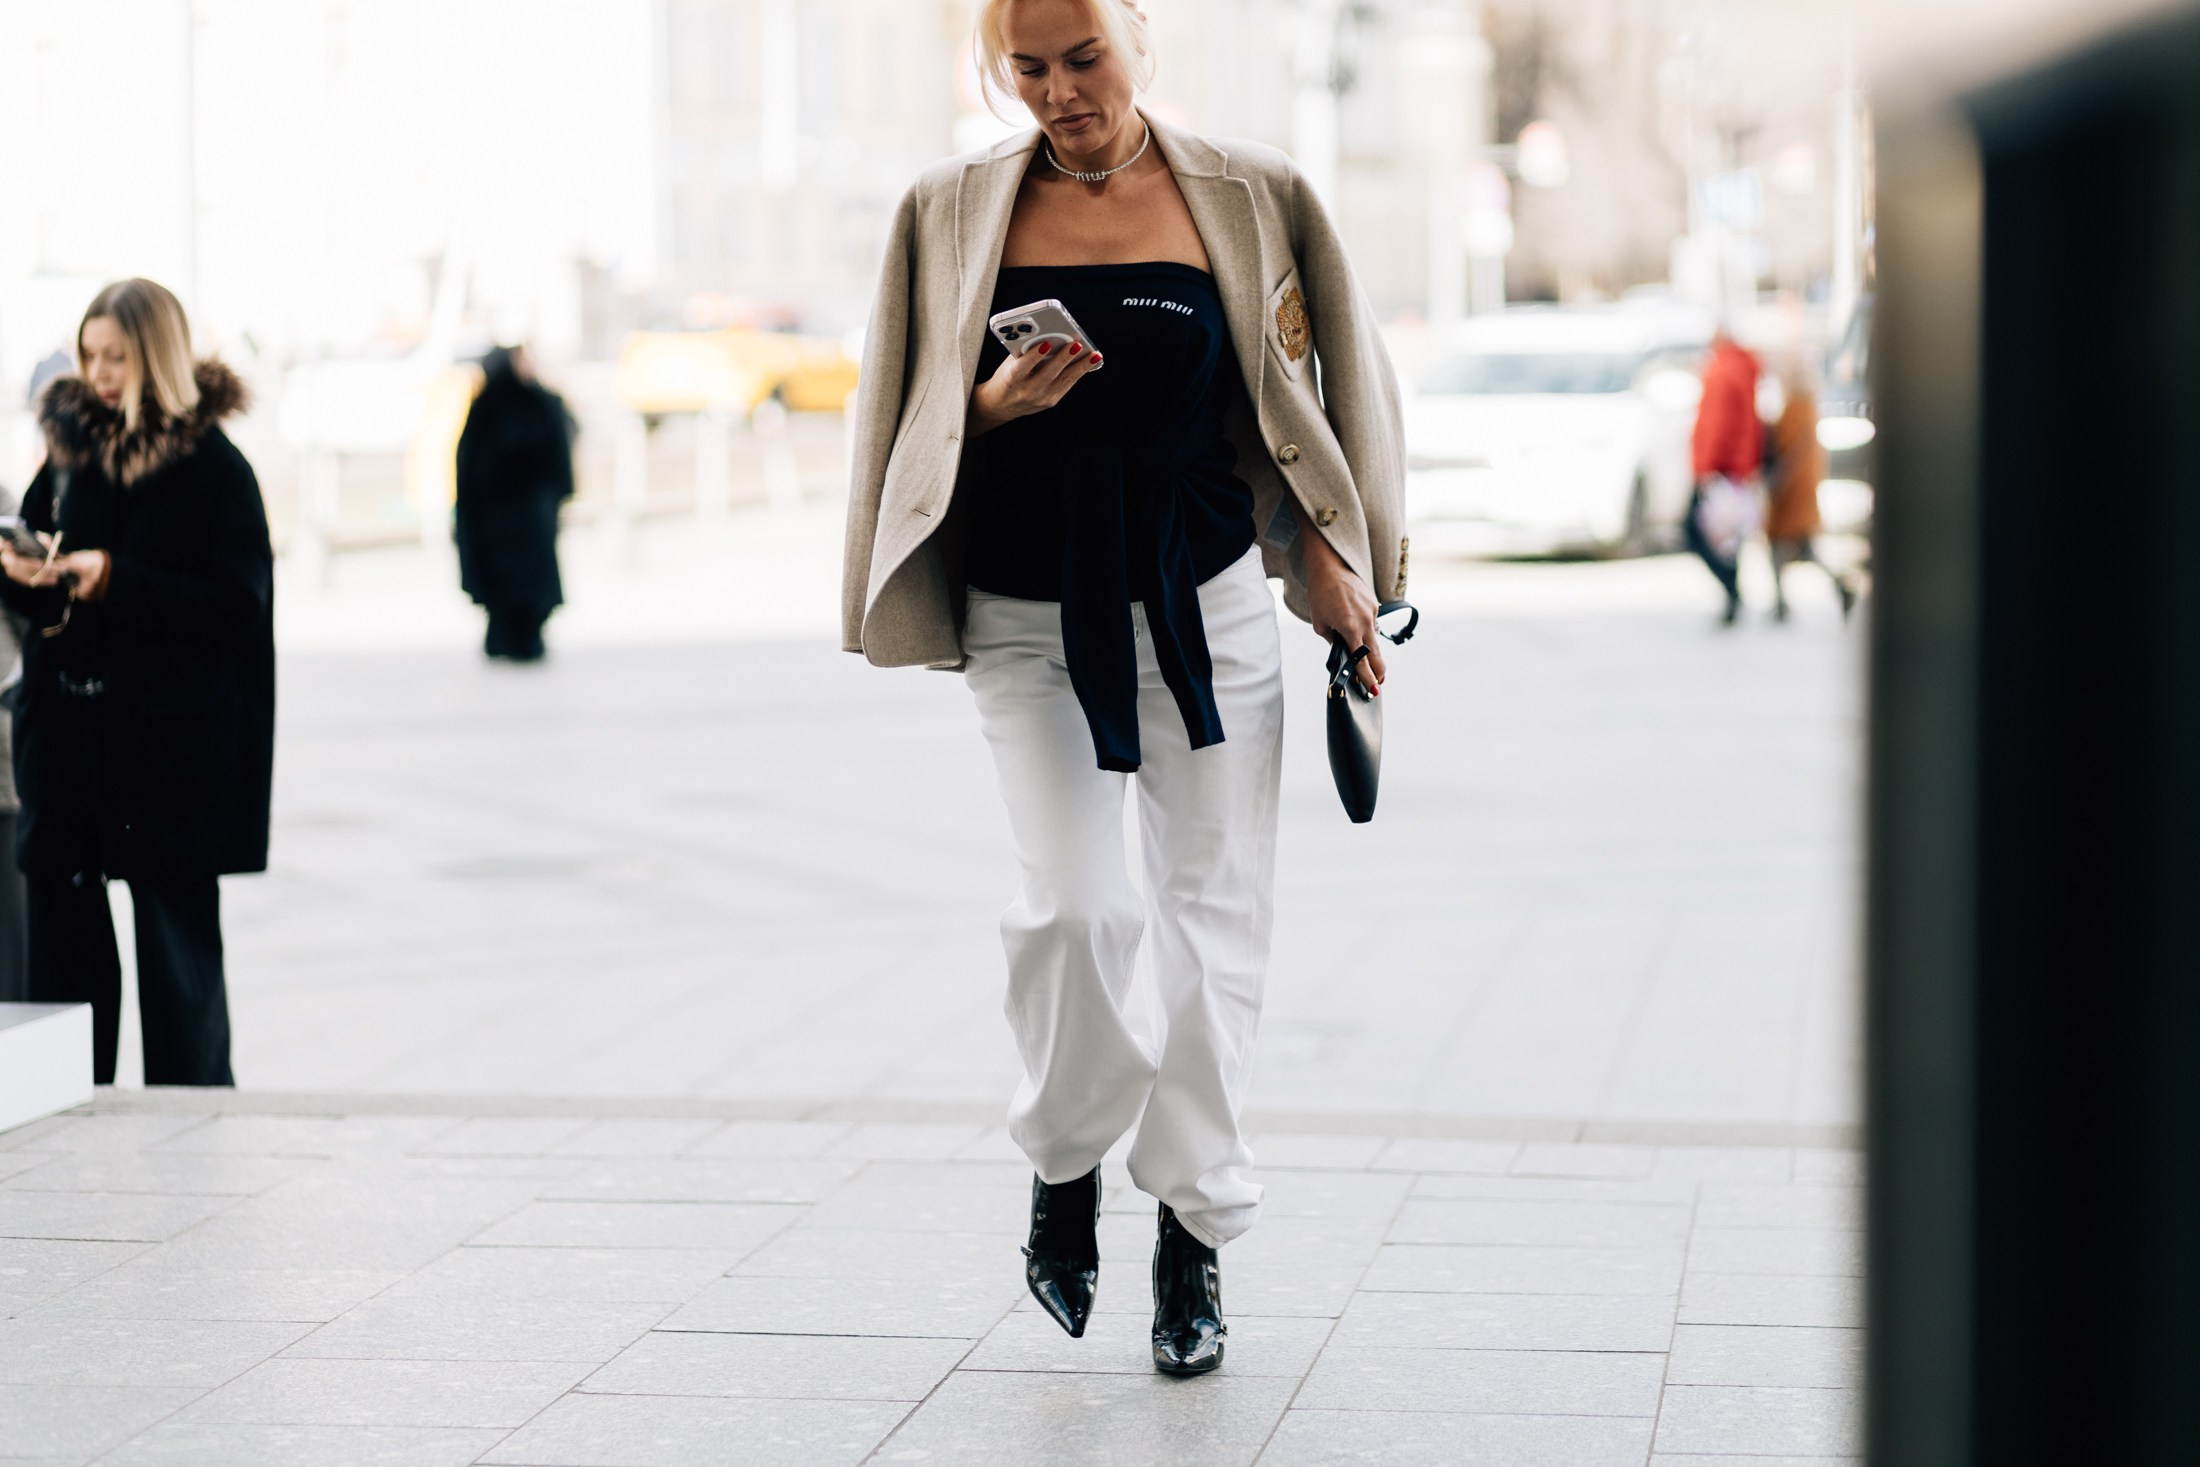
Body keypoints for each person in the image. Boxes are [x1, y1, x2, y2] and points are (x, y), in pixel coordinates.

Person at [842, 0, 1405, 1376]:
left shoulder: (1251, 191)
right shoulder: (948, 206)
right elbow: (903, 403)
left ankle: (1195, 1230)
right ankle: (1065, 1156)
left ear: (1141, 39)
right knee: (1077, 905)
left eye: (1082, 57)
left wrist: (1333, 567)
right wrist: (987, 407)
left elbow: (1301, 396)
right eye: (1025, 68)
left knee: (1214, 922)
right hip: (1030, 612)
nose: (1058, 91)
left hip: (1208, 596)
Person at [0, 278, 274, 1085]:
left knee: (178, 967)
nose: (101, 371)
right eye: (90, 355)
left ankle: (192, 1121)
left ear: (157, 355)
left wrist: (119, 577)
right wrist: (24, 573)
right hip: (73, 749)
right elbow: (43, 588)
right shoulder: (69, 454)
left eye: (117, 355)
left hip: (168, 754)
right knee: (65, 971)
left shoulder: (215, 469)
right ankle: (66, 1107)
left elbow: (236, 606)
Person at [454, 345, 574, 662]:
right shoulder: (497, 408)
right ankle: (512, 638)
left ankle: (522, 638)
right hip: (510, 518)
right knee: (509, 583)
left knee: (522, 584)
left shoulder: (528, 403)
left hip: (515, 516)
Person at [1763, 367, 1858, 622]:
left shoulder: (1797, 407)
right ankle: (1836, 586)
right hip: (1800, 492)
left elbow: (1790, 449)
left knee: (1784, 548)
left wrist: (1779, 479)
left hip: (1792, 492)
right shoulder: (1806, 407)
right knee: (1801, 550)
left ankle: (1785, 601)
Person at [1686, 328, 1764, 624]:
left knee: (1698, 533)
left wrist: (1706, 467)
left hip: (1719, 469)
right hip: (1732, 469)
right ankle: (1733, 592)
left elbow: (1717, 426)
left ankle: (1732, 591)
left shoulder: (1724, 370)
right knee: (1727, 536)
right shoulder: (1738, 367)